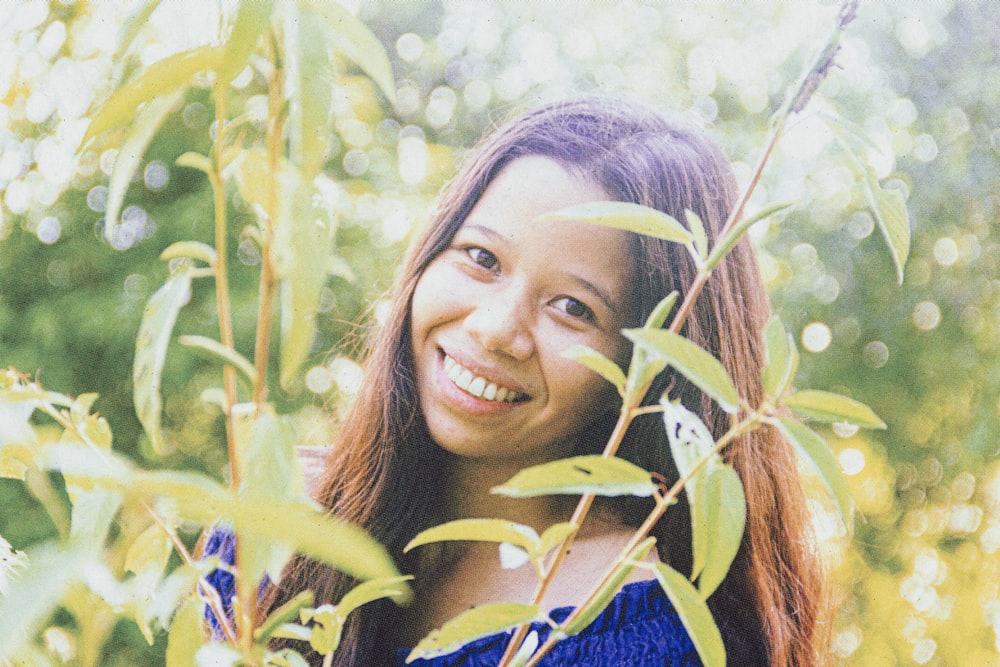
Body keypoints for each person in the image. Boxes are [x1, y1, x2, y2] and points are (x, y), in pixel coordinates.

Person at [204, 96, 824, 666]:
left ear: (655, 368)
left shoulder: (641, 639)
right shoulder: (269, 525)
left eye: (574, 308)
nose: (497, 330)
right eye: (481, 258)